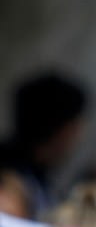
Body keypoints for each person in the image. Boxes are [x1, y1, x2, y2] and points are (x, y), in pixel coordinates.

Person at [0, 71, 88, 219]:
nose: (79, 138)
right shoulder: (9, 181)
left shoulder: (39, 179)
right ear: (62, 130)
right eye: (75, 128)